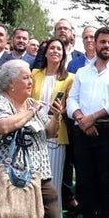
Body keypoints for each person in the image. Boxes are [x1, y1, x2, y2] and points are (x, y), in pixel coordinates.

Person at [0, 60, 76, 218]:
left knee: (49, 198)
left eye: (31, 77)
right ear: (11, 83)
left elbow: (50, 132)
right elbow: (3, 127)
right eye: (26, 78)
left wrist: (56, 116)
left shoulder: (31, 103)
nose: (31, 81)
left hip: (37, 167)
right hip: (10, 169)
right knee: (27, 201)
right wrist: (31, 112)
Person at [66, 26, 109, 218]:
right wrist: (82, 119)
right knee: (85, 180)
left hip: (108, 130)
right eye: (103, 42)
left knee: (106, 181)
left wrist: (93, 118)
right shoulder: (82, 72)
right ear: (94, 44)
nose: (106, 46)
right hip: (82, 130)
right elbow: (72, 100)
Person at [31, 39, 74, 200]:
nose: (55, 51)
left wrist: (60, 111)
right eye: (52, 48)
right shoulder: (34, 74)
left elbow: (71, 105)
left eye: (59, 49)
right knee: (33, 176)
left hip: (56, 132)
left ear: (63, 55)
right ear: (46, 52)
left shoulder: (70, 78)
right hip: (34, 130)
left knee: (52, 178)